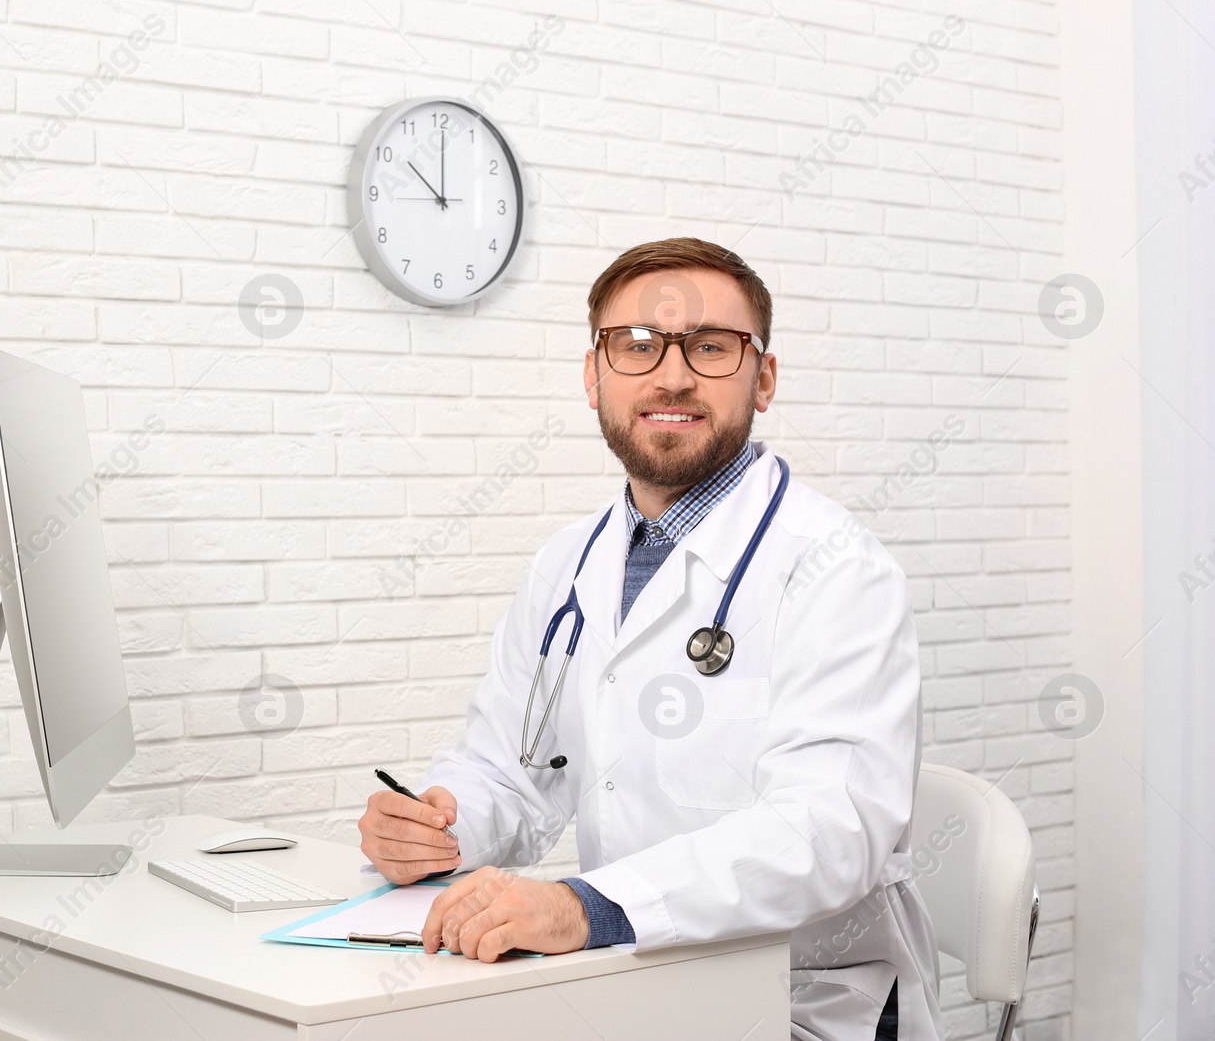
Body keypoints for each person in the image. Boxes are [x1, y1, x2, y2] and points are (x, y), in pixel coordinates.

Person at [358, 237, 942, 1040]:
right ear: (594, 376)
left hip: (799, 1001)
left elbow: (829, 831)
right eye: (636, 346)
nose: (672, 375)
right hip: (625, 987)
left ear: (763, 378)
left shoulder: (837, 567)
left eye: (710, 347)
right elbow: (512, 769)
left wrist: (586, 905)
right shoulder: (567, 564)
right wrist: (442, 828)